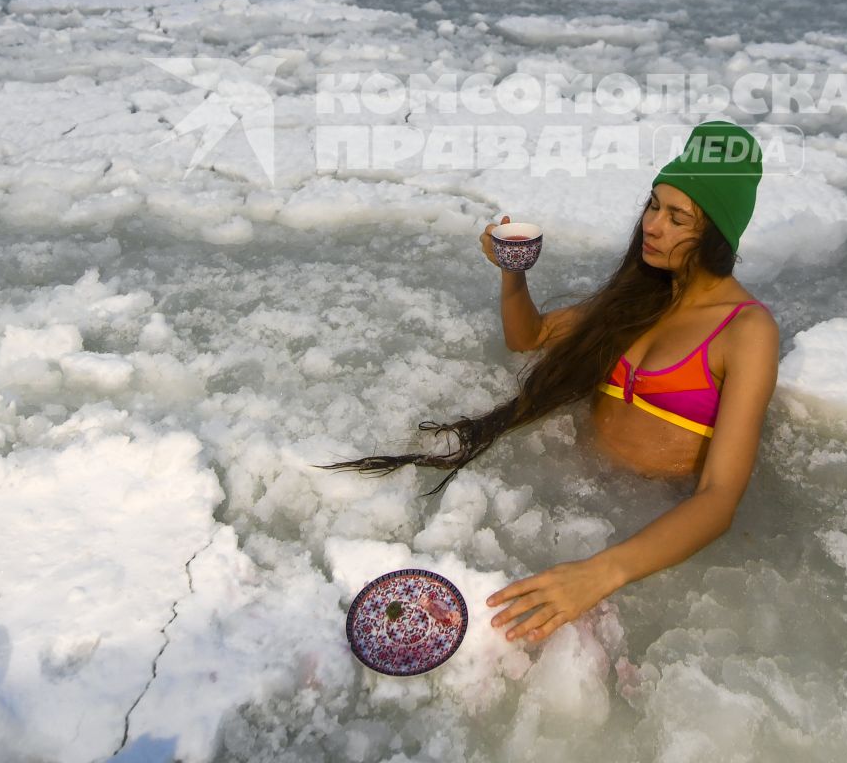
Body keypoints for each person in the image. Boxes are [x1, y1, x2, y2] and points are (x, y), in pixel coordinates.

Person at [318, 119, 780, 645]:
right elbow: (529, 336)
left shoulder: (746, 329)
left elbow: (719, 499)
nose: (653, 226)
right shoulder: (645, 295)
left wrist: (600, 572)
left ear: (718, 234)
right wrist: (511, 272)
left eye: (678, 218)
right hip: (564, 494)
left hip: (643, 524)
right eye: (654, 205)